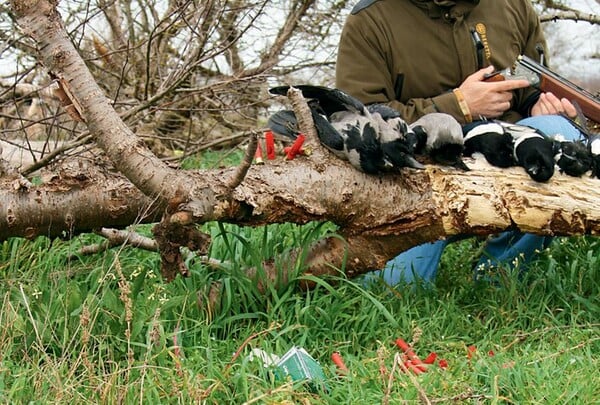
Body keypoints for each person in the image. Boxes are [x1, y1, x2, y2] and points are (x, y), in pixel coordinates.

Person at [335, 0, 583, 285]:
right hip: (415, 177)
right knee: (393, 288)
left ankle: (501, 277)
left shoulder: (515, 5)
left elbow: (531, 87)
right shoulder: (369, 19)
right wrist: (457, 105)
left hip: (502, 155)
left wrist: (537, 107)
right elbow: (360, 120)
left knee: (556, 131)